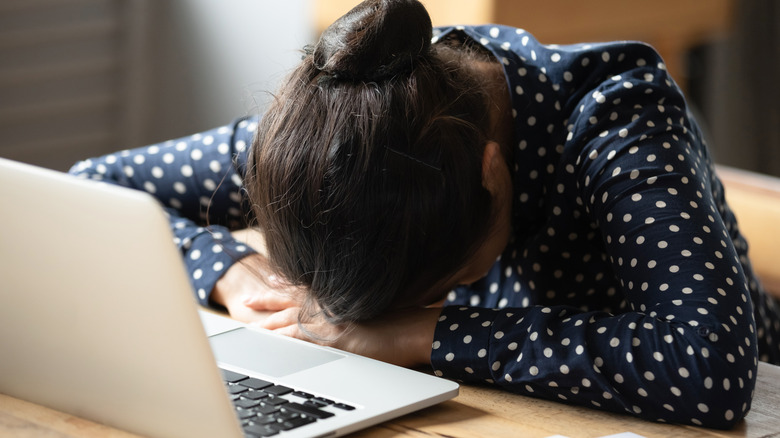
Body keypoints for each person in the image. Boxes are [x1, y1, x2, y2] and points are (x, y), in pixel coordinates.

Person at [70, 0, 780, 430]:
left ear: (493, 177)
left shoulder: (616, 114)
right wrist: (230, 270)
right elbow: (94, 190)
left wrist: (426, 332)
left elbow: (708, 366)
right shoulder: (345, 118)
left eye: (439, 281)